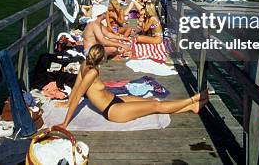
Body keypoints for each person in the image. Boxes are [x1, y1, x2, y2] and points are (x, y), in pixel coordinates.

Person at [56, 44, 207, 126]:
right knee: (156, 107)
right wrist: (65, 122)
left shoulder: (84, 64)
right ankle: (193, 100)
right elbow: (77, 94)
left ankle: (191, 107)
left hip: (115, 100)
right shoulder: (92, 73)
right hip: (113, 111)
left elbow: (75, 87)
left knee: (153, 101)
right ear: (101, 58)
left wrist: (66, 103)